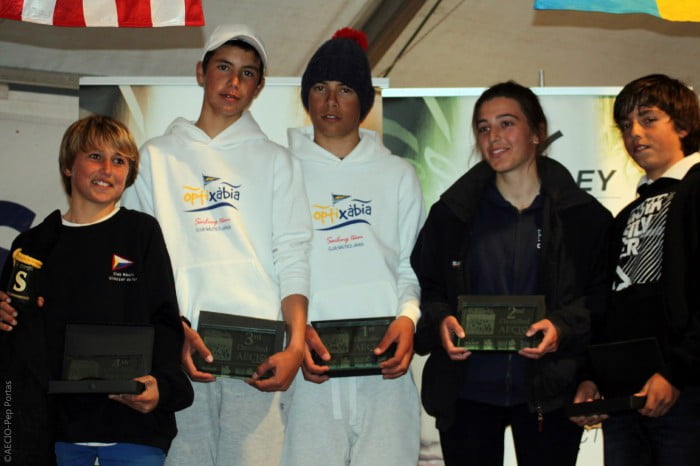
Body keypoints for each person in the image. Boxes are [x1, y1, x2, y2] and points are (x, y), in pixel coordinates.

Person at [121, 24, 311, 465]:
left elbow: (294, 255)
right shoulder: (156, 157)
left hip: (259, 356)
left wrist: (295, 346)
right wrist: (174, 333)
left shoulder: (277, 161)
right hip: (181, 352)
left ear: (259, 87)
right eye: (223, 68)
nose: (233, 82)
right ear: (200, 72)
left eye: (247, 74)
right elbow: (139, 265)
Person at [411, 81, 612, 466]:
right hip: (466, 393)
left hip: (550, 392)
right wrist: (440, 322)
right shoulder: (451, 216)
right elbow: (426, 289)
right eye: (484, 128)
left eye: (506, 123)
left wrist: (561, 328)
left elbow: (599, 300)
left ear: (537, 132)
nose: (493, 137)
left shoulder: (583, 218)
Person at [0, 115, 194, 465]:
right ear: (67, 166)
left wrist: (161, 389)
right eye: (95, 156)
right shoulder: (32, 246)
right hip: (55, 433)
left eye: (119, 160)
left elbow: (165, 322)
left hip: (135, 429)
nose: (107, 169)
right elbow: (15, 345)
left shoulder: (141, 232)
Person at [279, 28, 424, 466]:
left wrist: (408, 320)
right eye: (320, 88)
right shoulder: (281, 169)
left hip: (385, 367)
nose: (330, 102)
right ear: (307, 97)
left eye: (344, 90)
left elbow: (410, 266)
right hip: (310, 365)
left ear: (364, 100)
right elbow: (278, 263)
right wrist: (295, 334)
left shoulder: (398, 174)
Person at [572, 74, 700, 465]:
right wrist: (592, 376)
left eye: (648, 119)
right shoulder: (625, 213)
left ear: (683, 124)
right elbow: (611, 304)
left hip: (687, 391)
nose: (635, 133)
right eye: (626, 126)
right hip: (625, 396)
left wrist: (677, 373)